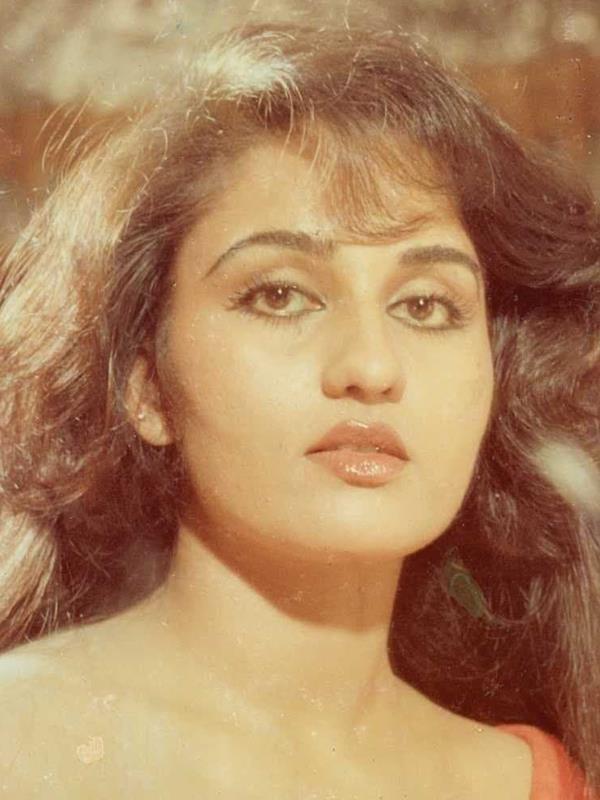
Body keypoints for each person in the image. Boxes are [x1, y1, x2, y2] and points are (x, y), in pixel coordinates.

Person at [0, 22, 598, 798]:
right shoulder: (24, 743)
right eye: (280, 295)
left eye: (425, 305)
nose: (371, 368)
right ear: (145, 386)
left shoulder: (543, 781)